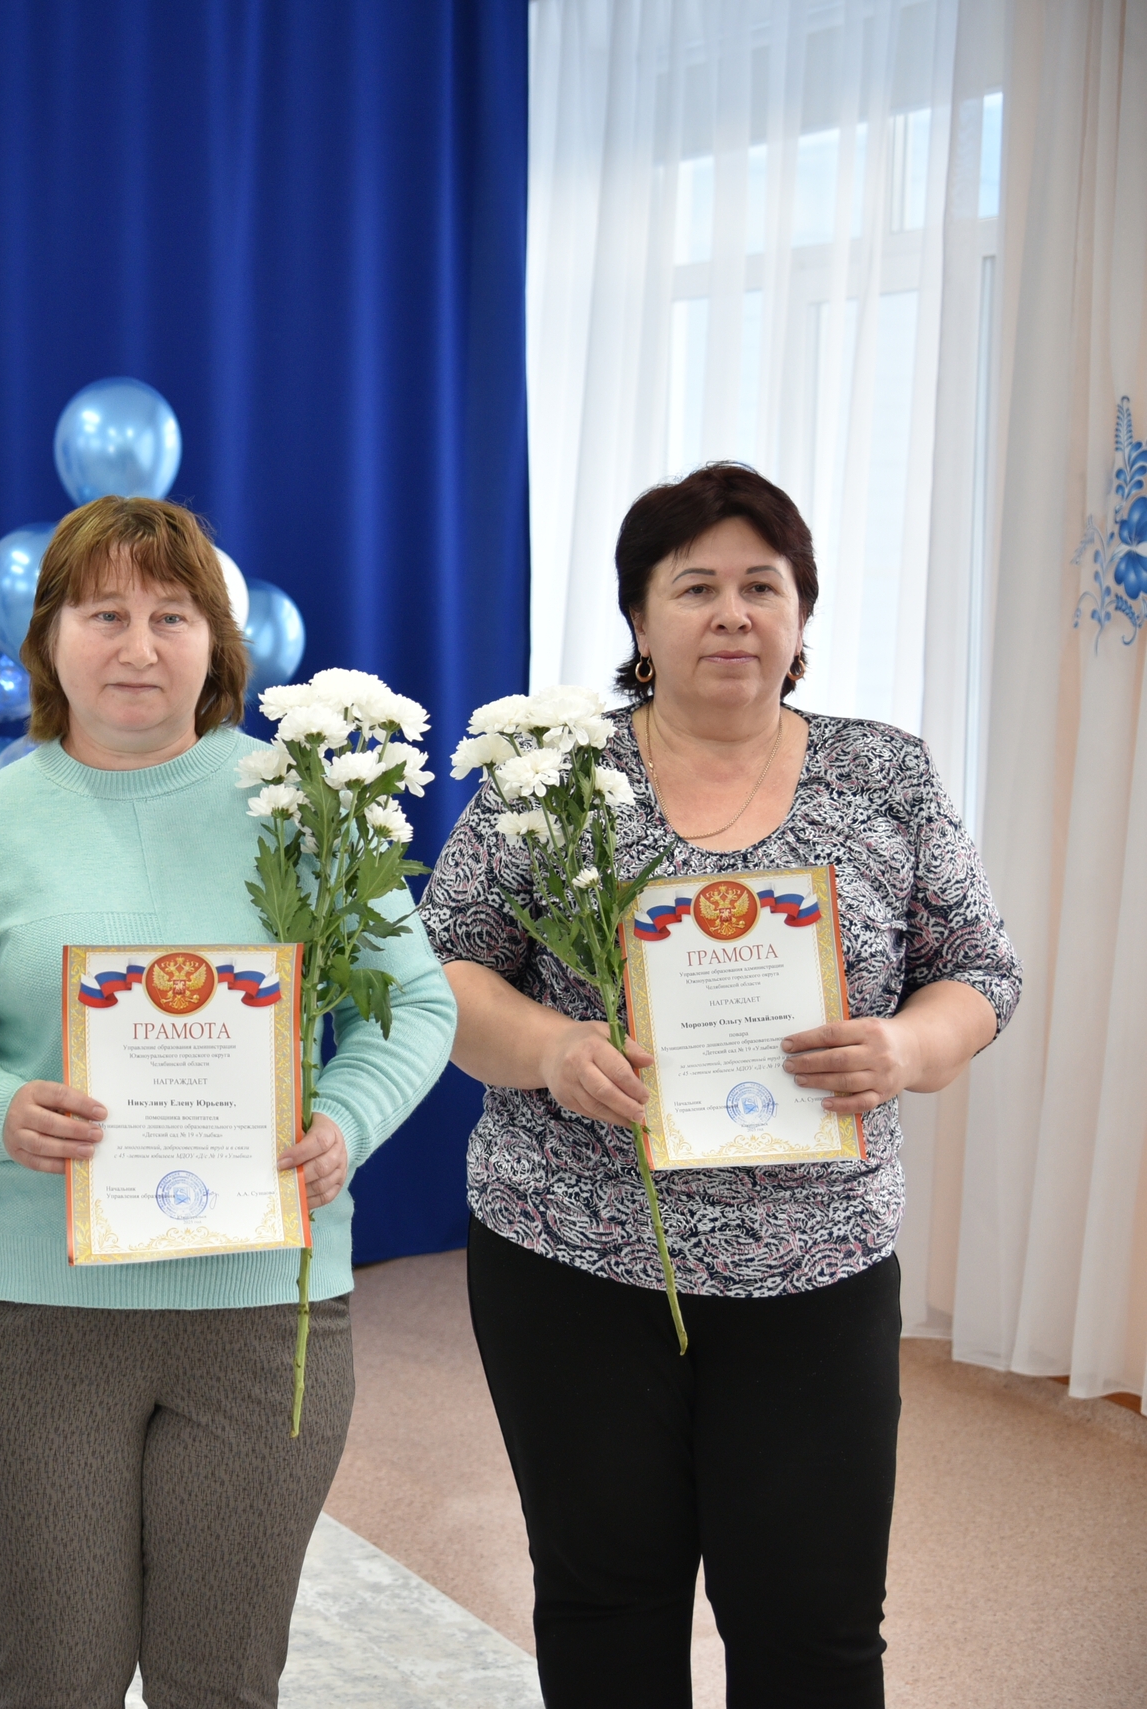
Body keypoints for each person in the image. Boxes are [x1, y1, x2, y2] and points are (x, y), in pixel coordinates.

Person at [422, 462, 1022, 1707]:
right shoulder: (549, 774)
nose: (732, 613)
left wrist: (904, 1048)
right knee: (604, 1602)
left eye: (763, 585)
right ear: (639, 620)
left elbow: (979, 969)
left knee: (813, 1623)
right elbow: (446, 968)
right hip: (570, 1256)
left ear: (801, 615)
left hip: (816, 1266)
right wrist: (549, 1049)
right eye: (695, 586)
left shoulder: (886, 773)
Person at [0, 496, 457, 1708]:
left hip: (261, 1313)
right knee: (52, 1678)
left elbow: (413, 1005)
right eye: (103, 613)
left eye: (171, 615)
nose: (138, 646)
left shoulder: (304, 812)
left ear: (218, 642)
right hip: (36, 1319)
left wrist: (345, 1117)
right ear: (47, 637)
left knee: (222, 1680)